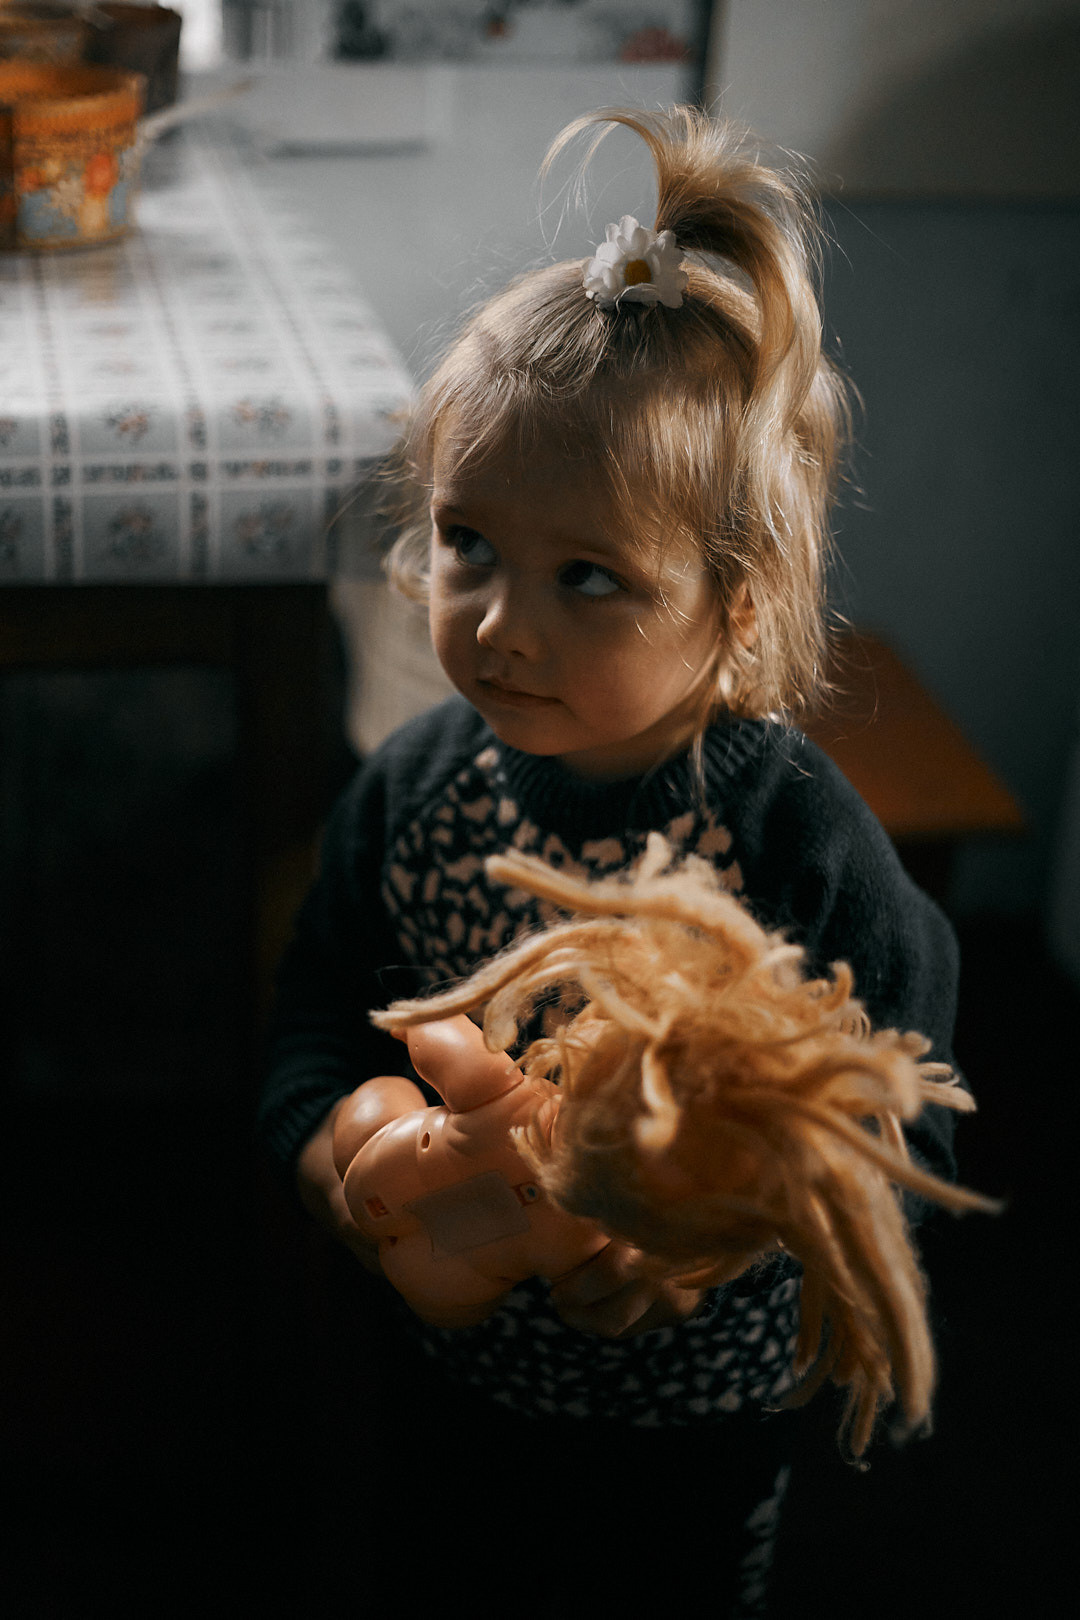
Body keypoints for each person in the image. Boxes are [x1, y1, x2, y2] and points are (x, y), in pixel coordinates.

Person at [256, 105, 968, 1617]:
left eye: (590, 576)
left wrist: (702, 1246)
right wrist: (346, 1157)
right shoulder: (412, 790)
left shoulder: (797, 848)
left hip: (700, 1422)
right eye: (468, 546)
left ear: (741, 606)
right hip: (446, 1380)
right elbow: (316, 1013)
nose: (503, 624)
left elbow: (898, 1140)